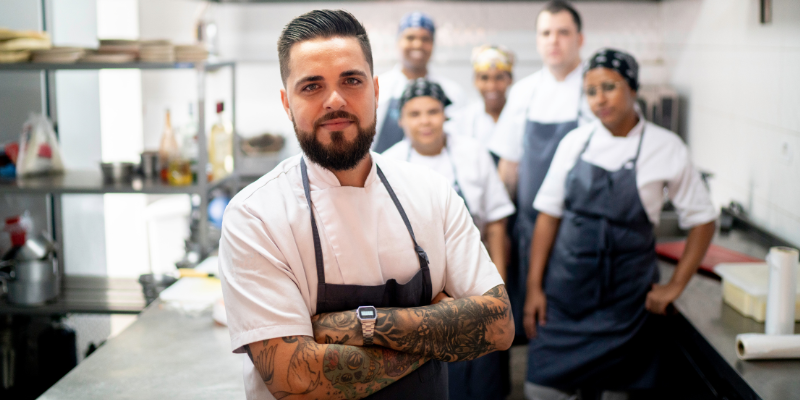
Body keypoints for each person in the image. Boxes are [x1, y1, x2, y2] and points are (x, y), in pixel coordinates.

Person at [218, 10, 514, 400]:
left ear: (375, 90)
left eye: (351, 81)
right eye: (311, 87)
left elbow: (497, 325)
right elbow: (296, 378)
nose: (335, 100)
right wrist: (437, 331)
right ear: (286, 103)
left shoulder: (432, 193)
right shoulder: (255, 216)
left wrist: (355, 327)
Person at [522, 49, 718, 400]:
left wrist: (675, 286)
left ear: (633, 88)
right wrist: (534, 288)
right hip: (566, 297)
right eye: (591, 91)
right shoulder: (575, 143)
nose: (600, 99)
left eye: (609, 87)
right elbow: (548, 217)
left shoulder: (666, 147)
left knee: (618, 393)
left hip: (627, 305)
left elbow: (703, 219)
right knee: (541, 389)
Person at [383, 78, 516, 400]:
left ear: (445, 115)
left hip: (474, 276)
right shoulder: (388, 164)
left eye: (433, 111)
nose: (425, 121)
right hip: (421, 293)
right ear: (401, 120)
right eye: (415, 114)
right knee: (431, 377)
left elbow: (497, 223)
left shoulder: (472, 153)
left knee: (485, 377)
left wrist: (496, 283)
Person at [487, 0, 594, 340]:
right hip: (531, 229)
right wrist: (501, 228)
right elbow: (509, 167)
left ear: (580, 39)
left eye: (563, 32)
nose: (554, 40)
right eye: (546, 33)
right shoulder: (524, 93)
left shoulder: (595, 90)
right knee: (539, 319)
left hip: (581, 230)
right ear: (537, 40)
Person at [372, 11, 464, 153]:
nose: (418, 44)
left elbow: (459, 140)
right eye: (410, 37)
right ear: (398, 41)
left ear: (433, 44)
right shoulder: (378, 88)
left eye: (425, 39)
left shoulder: (451, 92)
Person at [444, 45, 515, 155]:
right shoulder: (462, 121)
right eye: (484, 78)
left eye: (499, 78)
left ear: (510, 80)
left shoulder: (520, 115)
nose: (492, 86)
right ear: (475, 81)